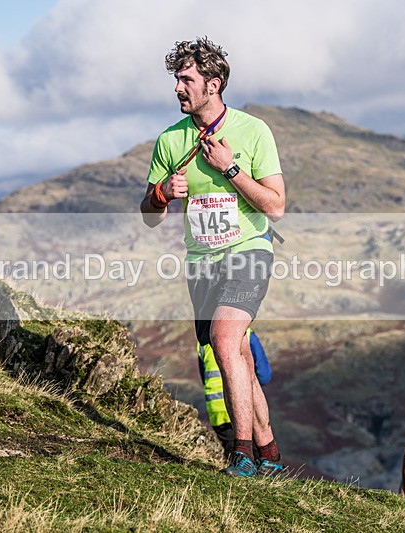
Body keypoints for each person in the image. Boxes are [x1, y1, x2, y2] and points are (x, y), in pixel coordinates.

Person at [140, 37, 286, 477]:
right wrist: (162, 195)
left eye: (187, 80)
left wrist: (231, 168)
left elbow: (275, 205)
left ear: (213, 84)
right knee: (235, 351)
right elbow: (148, 215)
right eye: (176, 80)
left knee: (225, 340)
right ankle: (270, 455)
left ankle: (241, 455)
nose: (178, 88)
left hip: (249, 252)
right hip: (201, 262)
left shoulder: (253, 130)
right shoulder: (170, 140)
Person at [197, 328, 271, 459]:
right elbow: (265, 376)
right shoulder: (247, 334)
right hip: (246, 408)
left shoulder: (203, 340)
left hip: (217, 410)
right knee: (258, 454)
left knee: (234, 454)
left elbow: (204, 377)